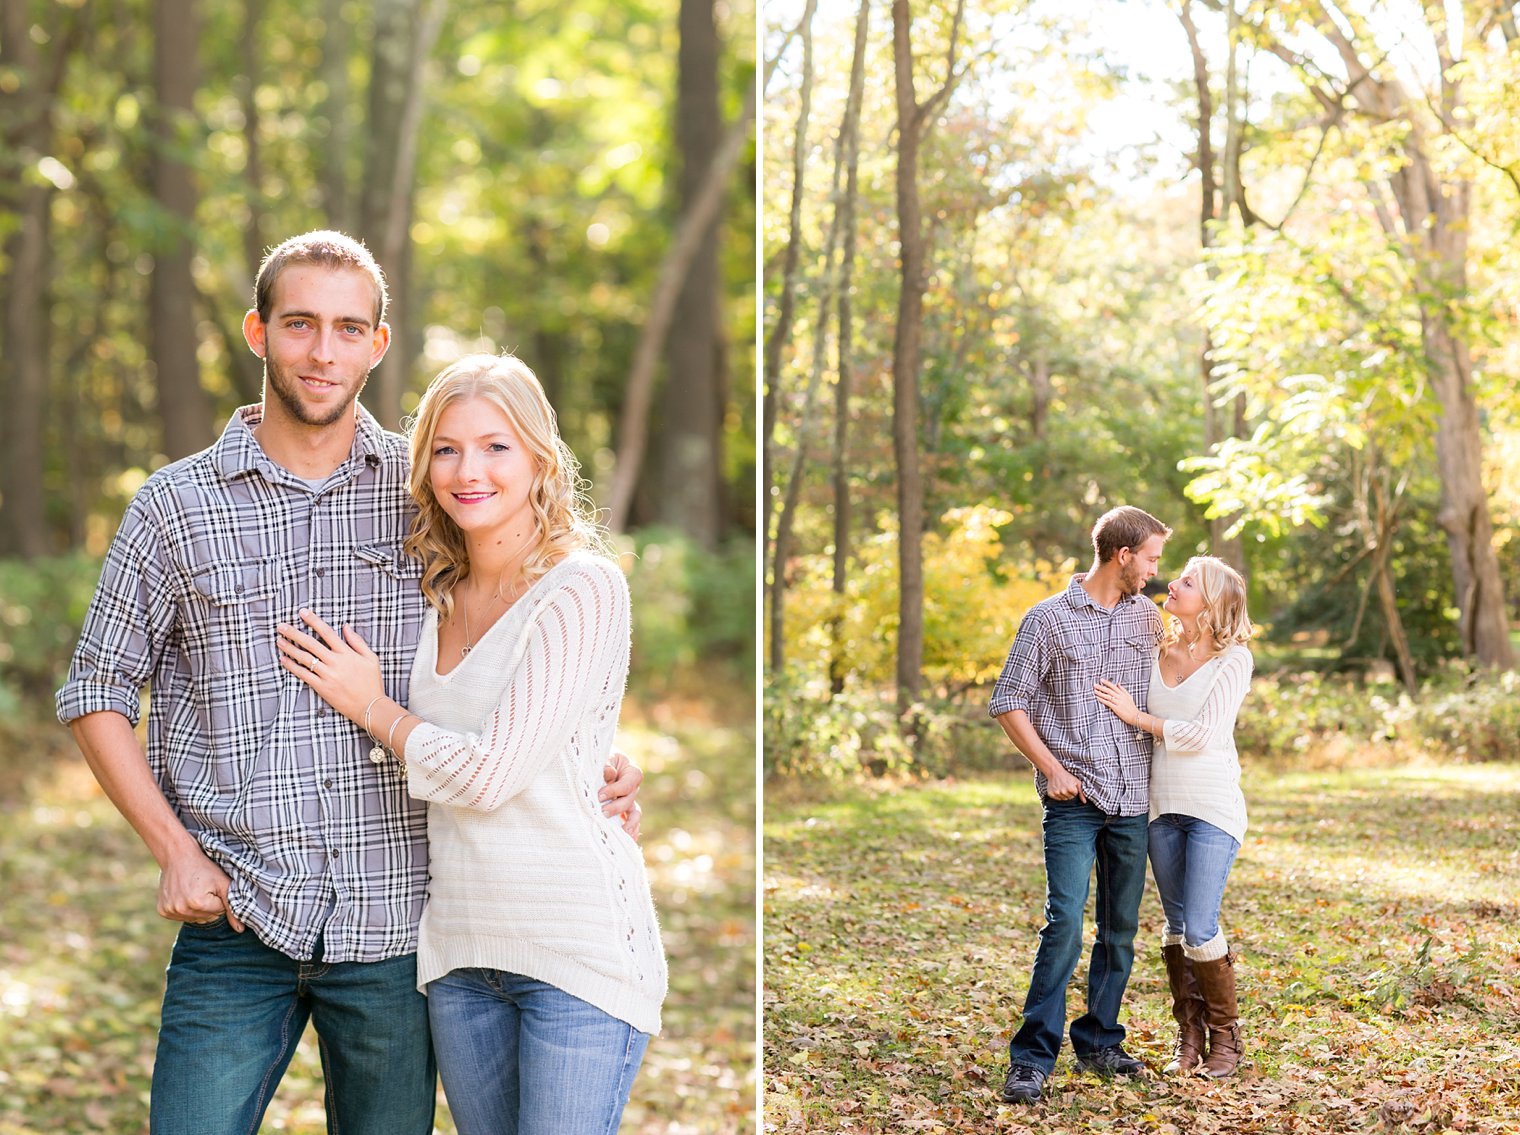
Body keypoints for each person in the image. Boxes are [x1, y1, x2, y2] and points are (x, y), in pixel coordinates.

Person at [55, 230, 642, 1133]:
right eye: (299, 324)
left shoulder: (431, 492)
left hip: (395, 924)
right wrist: (173, 848)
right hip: (236, 915)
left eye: (347, 328)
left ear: (378, 343)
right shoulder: (173, 506)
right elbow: (96, 688)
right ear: (258, 332)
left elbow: (516, 639)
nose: (322, 351)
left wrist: (589, 751)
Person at [274, 352, 666, 1134]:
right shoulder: (429, 593)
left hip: (575, 955)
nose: (468, 469)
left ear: (538, 459)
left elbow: (489, 775)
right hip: (459, 957)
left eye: (496, 446)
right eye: (447, 448)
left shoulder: (581, 586)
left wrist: (372, 706)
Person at [988, 505, 1170, 1104]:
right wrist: (1053, 770)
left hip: (1133, 800)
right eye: (1150, 558)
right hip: (1074, 800)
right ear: (1123, 556)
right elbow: (1009, 701)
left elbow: (1205, 644)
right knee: (1065, 923)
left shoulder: (1150, 621)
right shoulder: (1048, 620)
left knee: (1119, 932)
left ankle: (1099, 1041)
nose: (1155, 571)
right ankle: (1032, 1058)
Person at [1095, 555, 1254, 1079]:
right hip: (1160, 807)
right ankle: (1189, 1037)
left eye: (1188, 582)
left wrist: (1139, 718)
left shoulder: (1234, 660)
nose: (1173, 584)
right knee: (1176, 924)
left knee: (1202, 924)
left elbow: (1204, 736)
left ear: (1210, 602)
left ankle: (1226, 1042)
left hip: (1212, 807)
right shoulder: (1156, 651)